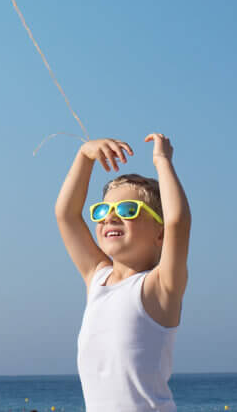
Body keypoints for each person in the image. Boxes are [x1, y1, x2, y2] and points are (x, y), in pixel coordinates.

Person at [55, 133, 192, 412]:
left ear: (160, 234)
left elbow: (178, 221)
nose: (110, 217)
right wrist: (83, 157)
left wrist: (162, 161)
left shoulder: (159, 287)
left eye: (128, 209)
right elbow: (66, 215)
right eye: (103, 209)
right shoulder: (98, 279)